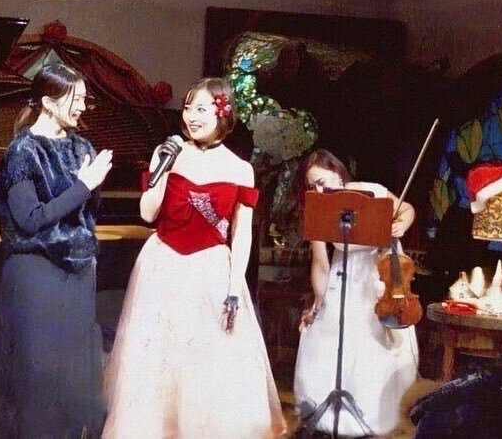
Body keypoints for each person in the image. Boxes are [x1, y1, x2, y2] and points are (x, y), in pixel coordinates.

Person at [103, 77, 286, 438]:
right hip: (163, 264)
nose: (191, 117)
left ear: (223, 114)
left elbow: (242, 234)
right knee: (158, 357)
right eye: (188, 108)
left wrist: (234, 288)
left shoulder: (240, 169)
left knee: (206, 360)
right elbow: (147, 213)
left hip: (210, 270)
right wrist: (164, 169)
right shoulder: (167, 152)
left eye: (201, 109)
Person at [0, 63, 113, 438]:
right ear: (47, 101)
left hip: (77, 272)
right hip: (36, 273)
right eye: (76, 99)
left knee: (73, 373)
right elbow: (29, 219)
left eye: (85, 99)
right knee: (38, 374)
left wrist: (89, 188)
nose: (83, 107)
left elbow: (90, 212)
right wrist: (83, 185)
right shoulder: (22, 151)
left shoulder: (82, 148)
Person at [294, 148, 419, 437]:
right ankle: (333, 413)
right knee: (331, 336)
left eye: (322, 182)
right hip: (344, 278)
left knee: (374, 341)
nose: (319, 190)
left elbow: (407, 209)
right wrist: (318, 301)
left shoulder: (370, 190)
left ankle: (374, 413)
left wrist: (401, 223)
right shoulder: (318, 207)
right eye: (312, 186)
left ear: (337, 173)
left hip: (378, 276)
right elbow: (320, 262)